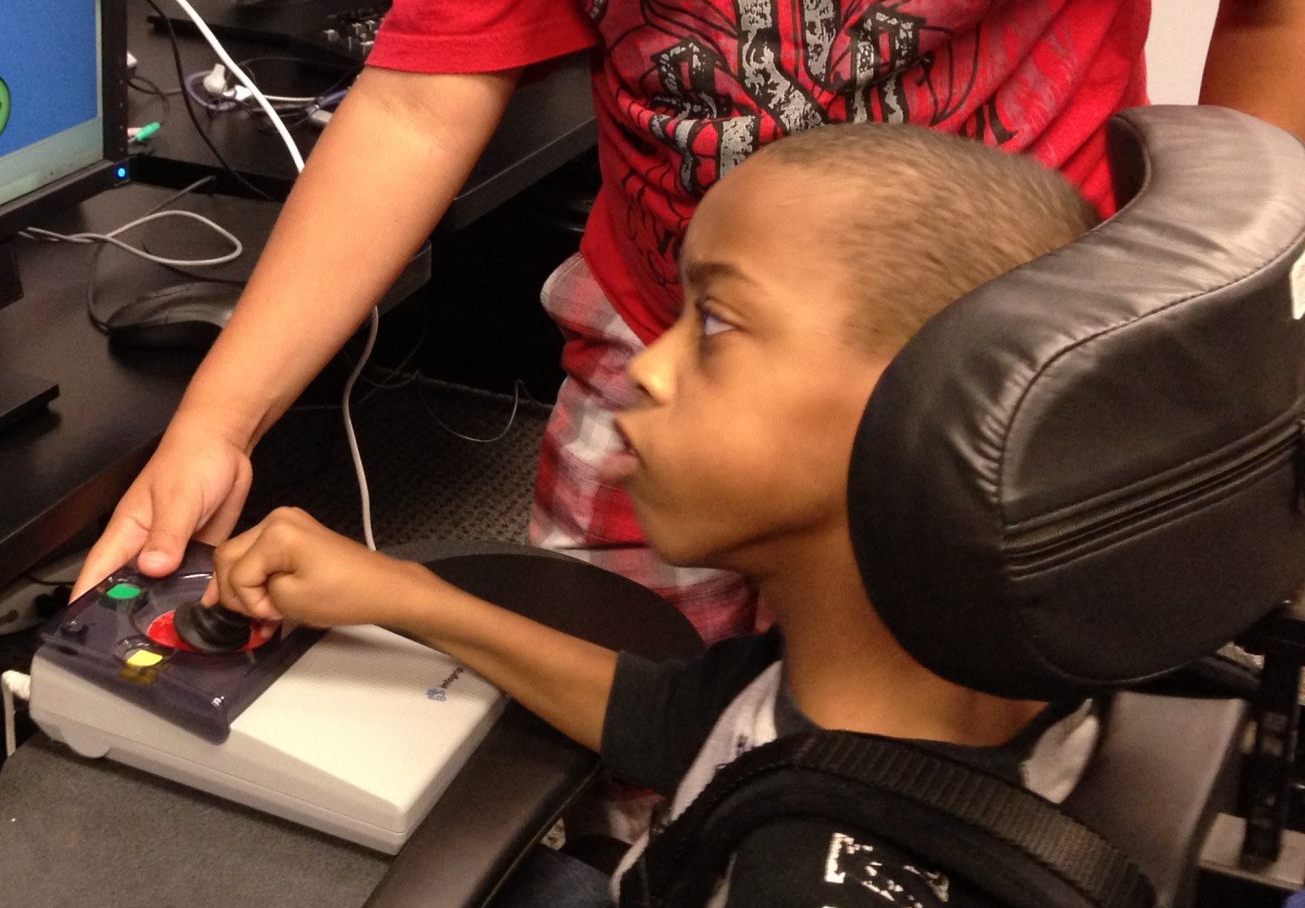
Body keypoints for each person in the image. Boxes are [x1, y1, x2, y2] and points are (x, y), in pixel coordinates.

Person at [199, 124, 1103, 908]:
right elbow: (668, 717)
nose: (649, 369)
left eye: (715, 327)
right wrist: (399, 592)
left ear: (932, 410)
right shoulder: (889, 686)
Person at [74, 0, 1305, 643]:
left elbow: (1270, 21)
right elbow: (415, 100)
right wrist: (217, 422)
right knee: (623, 699)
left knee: (935, 762)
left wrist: (1191, 331)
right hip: (665, 321)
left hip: (1004, 368)